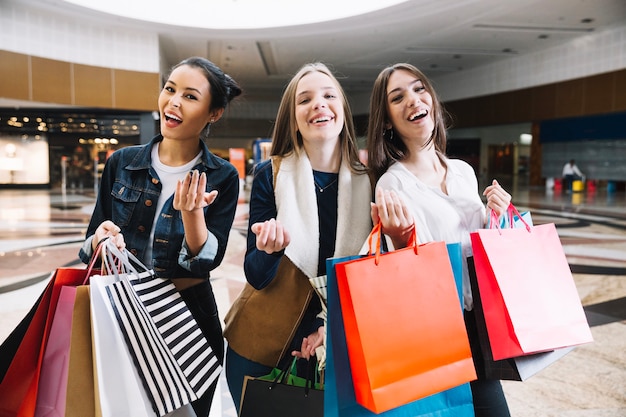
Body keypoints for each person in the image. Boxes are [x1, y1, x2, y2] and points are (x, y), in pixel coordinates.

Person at [78, 56, 242, 417]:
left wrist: (192, 213)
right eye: (170, 90)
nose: (174, 102)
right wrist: (100, 241)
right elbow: (89, 242)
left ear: (213, 113)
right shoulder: (123, 162)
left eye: (190, 96)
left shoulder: (222, 176)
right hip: (123, 312)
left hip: (187, 317)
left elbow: (205, 261)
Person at [223, 62, 373, 412]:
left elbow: (370, 274)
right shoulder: (270, 175)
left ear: (342, 111)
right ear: (293, 118)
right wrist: (270, 251)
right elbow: (256, 275)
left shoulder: (372, 180)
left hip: (338, 344)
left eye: (328, 95)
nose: (318, 104)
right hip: (260, 347)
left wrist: (328, 325)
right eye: (304, 99)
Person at [366, 63, 513, 417]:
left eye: (419, 89)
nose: (413, 100)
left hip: (480, 321)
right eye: (397, 97)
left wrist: (500, 215)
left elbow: (477, 248)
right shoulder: (393, 184)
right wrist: (400, 241)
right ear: (386, 120)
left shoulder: (462, 171)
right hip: (438, 329)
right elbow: (400, 270)